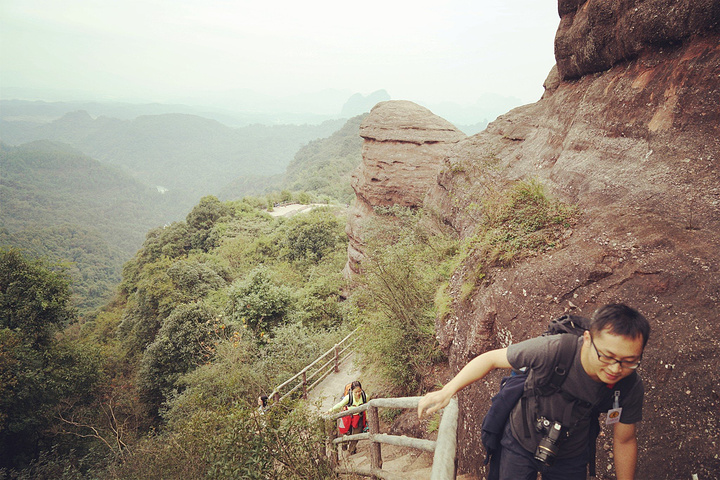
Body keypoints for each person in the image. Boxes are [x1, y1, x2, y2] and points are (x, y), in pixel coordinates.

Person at [418, 304, 650, 480]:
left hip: (572, 452)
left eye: (629, 361)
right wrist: (448, 390)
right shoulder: (554, 350)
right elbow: (491, 359)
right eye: (607, 356)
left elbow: (625, 439)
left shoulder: (628, 384)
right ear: (587, 339)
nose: (615, 368)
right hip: (520, 439)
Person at [328, 380, 368, 455]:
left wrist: (367, 418)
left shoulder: (365, 396)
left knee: (356, 434)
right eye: (356, 392)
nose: (358, 394)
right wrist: (330, 410)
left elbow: (367, 407)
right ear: (352, 391)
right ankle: (344, 444)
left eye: (359, 391)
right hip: (348, 416)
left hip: (359, 416)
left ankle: (351, 450)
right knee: (347, 432)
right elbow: (339, 405)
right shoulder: (348, 397)